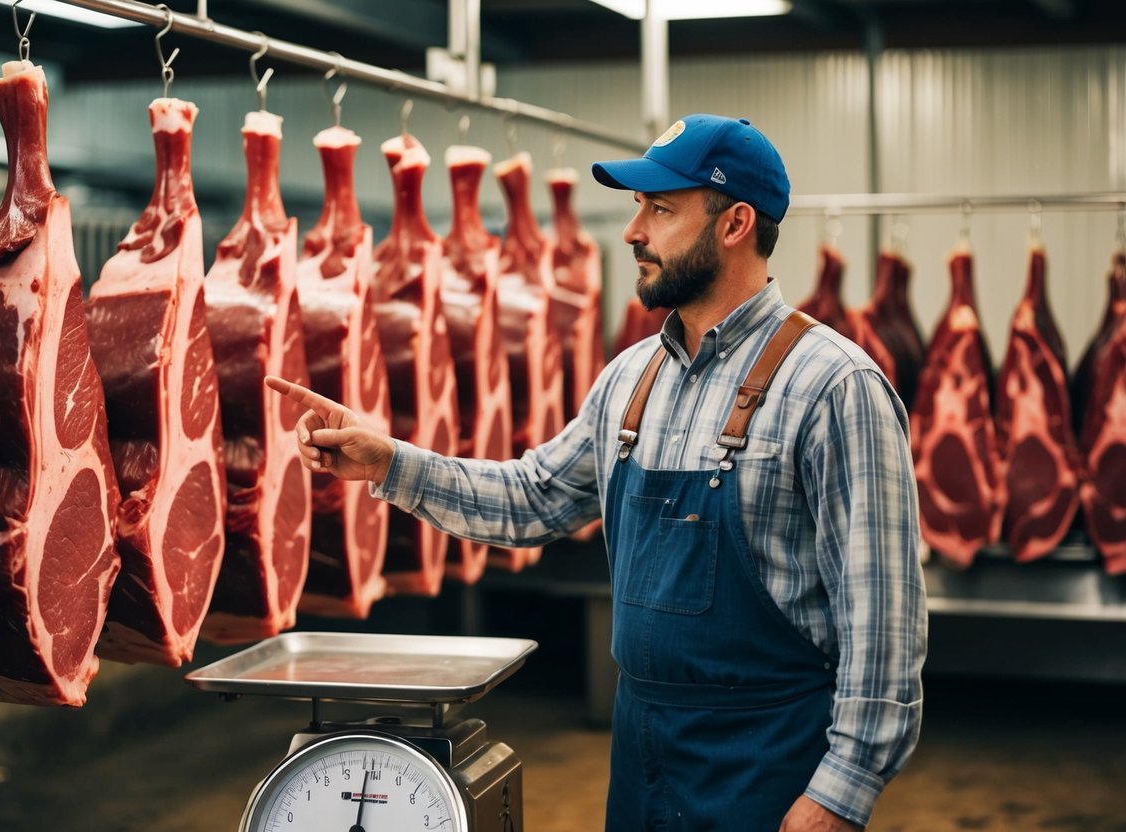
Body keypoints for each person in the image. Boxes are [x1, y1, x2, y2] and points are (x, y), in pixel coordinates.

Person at [266, 113, 927, 832]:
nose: (632, 231)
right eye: (639, 207)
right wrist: (387, 461)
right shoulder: (630, 380)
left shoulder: (834, 387)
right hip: (641, 752)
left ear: (735, 224)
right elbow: (532, 499)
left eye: (660, 208)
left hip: (766, 763)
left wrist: (839, 794)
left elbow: (883, 623)